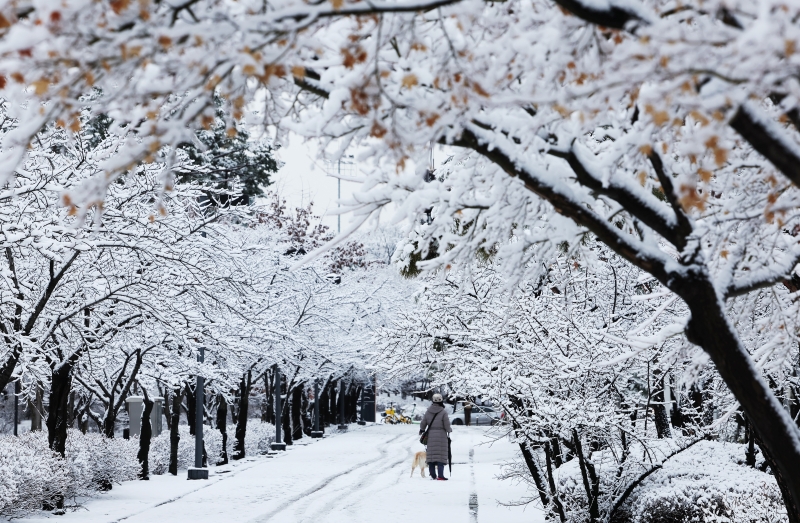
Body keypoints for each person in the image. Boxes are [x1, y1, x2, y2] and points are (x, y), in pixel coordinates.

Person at [420, 393, 452, 480]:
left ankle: (433, 475)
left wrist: (422, 429)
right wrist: (449, 430)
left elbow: (423, 422)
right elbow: (447, 425)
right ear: (441, 401)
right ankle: (440, 475)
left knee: (431, 455)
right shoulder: (443, 412)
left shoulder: (428, 411)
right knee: (441, 455)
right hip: (441, 435)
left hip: (431, 435)